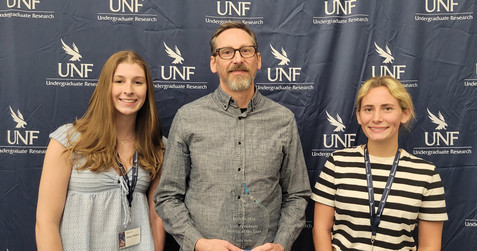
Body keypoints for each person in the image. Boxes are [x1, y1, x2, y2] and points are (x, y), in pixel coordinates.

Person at [154, 21, 311, 251]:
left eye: (245, 50)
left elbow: (297, 196)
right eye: (226, 52)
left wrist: (280, 245)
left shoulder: (283, 119)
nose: (237, 59)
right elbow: (167, 197)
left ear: (258, 60)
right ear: (214, 63)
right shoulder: (188, 117)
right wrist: (198, 243)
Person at [35, 50, 165, 251]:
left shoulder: (157, 146)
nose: (129, 90)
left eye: (138, 82)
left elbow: (156, 217)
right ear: (106, 86)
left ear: (147, 90)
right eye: (119, 81)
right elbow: (46, 223)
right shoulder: (68, 141)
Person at [311, 76, 448, 250]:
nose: (376, 118)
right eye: (368, 109)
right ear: (359, 116)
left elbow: (430, 245)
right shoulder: (337, 163)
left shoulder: (427, 174)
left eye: (387, 109)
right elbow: (321, 230)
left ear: (404, 114)